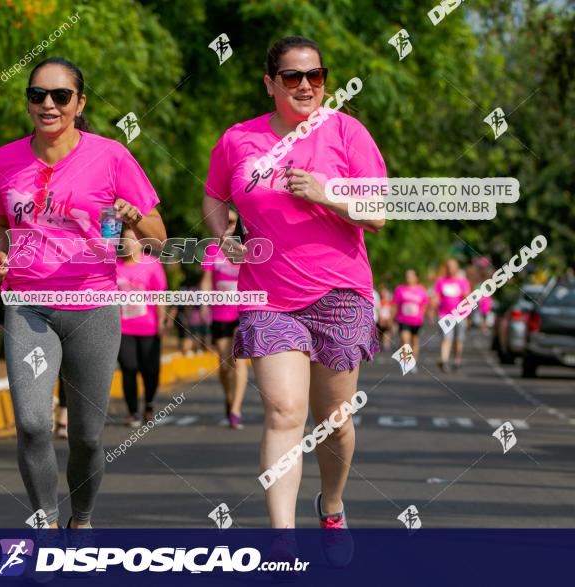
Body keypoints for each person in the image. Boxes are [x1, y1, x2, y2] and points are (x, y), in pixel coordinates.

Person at [203, 36, 386, 565]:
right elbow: (214, 195)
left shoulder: (347, 133)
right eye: (291, 77)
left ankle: (331, 505)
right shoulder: (239, 139)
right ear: (270, 83)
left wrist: (328, 191)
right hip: (269, 295)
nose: (305, 86)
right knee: (284, 410)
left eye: (316, 76)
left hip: (340, 292)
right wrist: (223, 238)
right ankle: (282, 538)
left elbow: (377, 214)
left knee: (334, 418)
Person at [0, 57, 166, 530]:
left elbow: (158, 239)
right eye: (38, 94)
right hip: (27, 303)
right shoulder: (3, 161)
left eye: (60, 96)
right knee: (32, 423)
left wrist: (133, 217)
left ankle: (80, 519)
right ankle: (43, 522)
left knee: (86, 436)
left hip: (93, 307)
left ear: (79, 103)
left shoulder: (111, 156)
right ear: (27, 101)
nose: (48, 104)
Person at [117, 225, 169, 427]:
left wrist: (163, 321)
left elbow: (160, 295)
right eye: (125, 240)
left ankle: (148, 404)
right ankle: (132, 412)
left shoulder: (152, 264)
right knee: (129, 367)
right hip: (123, 328)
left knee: (150, 370)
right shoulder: (115, 266)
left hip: (149, 326)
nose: (128, 243)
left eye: (132, 239)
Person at [200, 210, 248, 429]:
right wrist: (202, 304)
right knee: (224, 363)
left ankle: (236, 409)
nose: (227, 226)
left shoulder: (247, 248)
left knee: (238, 360)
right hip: (219, 313)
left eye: (231, 222)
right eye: (223, 222)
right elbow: (207, 279)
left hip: (243, 311)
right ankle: (229, 399)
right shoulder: (212, 249)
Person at [432, 258, 471, 372]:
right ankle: (443, 360)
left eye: (452, 266)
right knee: (446, 338)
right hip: (444, 314)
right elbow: (436, 295)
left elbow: (467, 298)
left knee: (458, 340)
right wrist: (434, 303)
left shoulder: (462, 281)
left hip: (460, 315)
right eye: (448, 266)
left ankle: (456, 360)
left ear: (457, 268)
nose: (450, 269)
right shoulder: (441, 281)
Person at [392, 269, 429, 371]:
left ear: (416, 278)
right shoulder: (400, 289)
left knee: (415, 341)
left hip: (416, 321)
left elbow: (425, 304)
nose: (408, 278)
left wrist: (424, 314)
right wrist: (392, 319)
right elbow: (395, 305)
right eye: (407, 276)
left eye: (411, 276)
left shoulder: (421, 290)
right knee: (404, 339)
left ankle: (413, 363)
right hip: (403, 319)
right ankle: (405, 362)